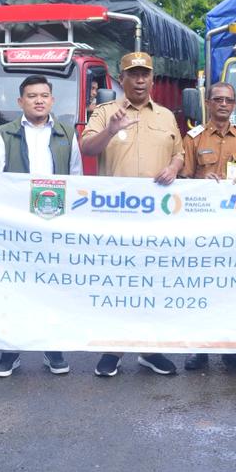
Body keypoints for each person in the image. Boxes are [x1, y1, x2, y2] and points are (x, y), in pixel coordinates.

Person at [80, 51, 184, 378]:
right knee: (117, 283)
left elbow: (179, 152)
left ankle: (149, 350)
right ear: (121, 79)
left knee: (152, 283)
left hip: (155, 218)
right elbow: (87, 149)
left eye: (145, 74)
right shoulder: (104, 112)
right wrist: (110, 130)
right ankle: (113, 350)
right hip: (116, 217)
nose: (139, 80)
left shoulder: (167, 116)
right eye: (132, 74)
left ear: (152, 79)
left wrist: (173, 166)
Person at [0, 74, 83, 377]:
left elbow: (75, 179)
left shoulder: (67, 134)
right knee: (13, 288)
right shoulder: (5, 133)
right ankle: (10, 351)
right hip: (16, 225)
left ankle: (52, 348)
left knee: (52, 288)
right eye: (31, 96)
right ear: (20, 101)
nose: (38, 100)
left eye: (43, 95)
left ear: (52, 100)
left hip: (54, 225)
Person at [180, 82, 236, 372]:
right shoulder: (194, 139)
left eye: (229, 100)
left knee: (232, 291)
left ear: (234, 105)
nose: (223, 104)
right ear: (208, 103)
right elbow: (184, 182)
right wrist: (202, 186)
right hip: (202, 228)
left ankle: (231, 349)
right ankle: (199, 350)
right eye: (218, 100)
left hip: (234, 229)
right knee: (201, 290)